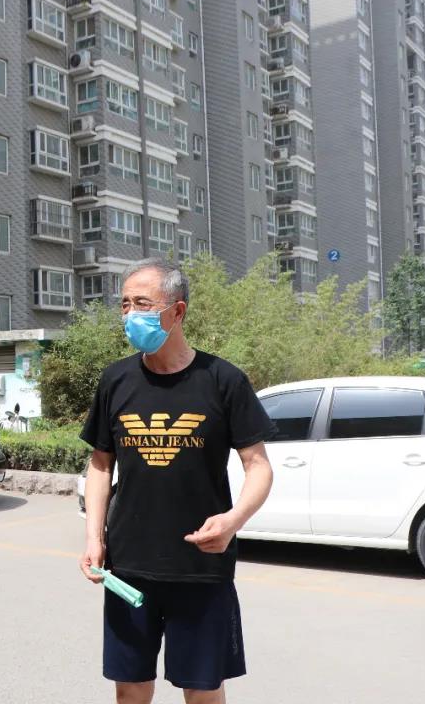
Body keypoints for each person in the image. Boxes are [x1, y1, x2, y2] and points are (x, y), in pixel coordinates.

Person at [79, 258, 276, 704]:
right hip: (129, 566)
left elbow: (258, 465)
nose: (130, 315)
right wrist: (94, 537)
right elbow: (100, 465)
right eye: (124, 304)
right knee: (129, 691)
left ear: (177, 311)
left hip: (201, 566)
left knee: (202, 691)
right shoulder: (116, 380)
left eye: (142, 304)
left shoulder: (222, 380)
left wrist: (233, 521)